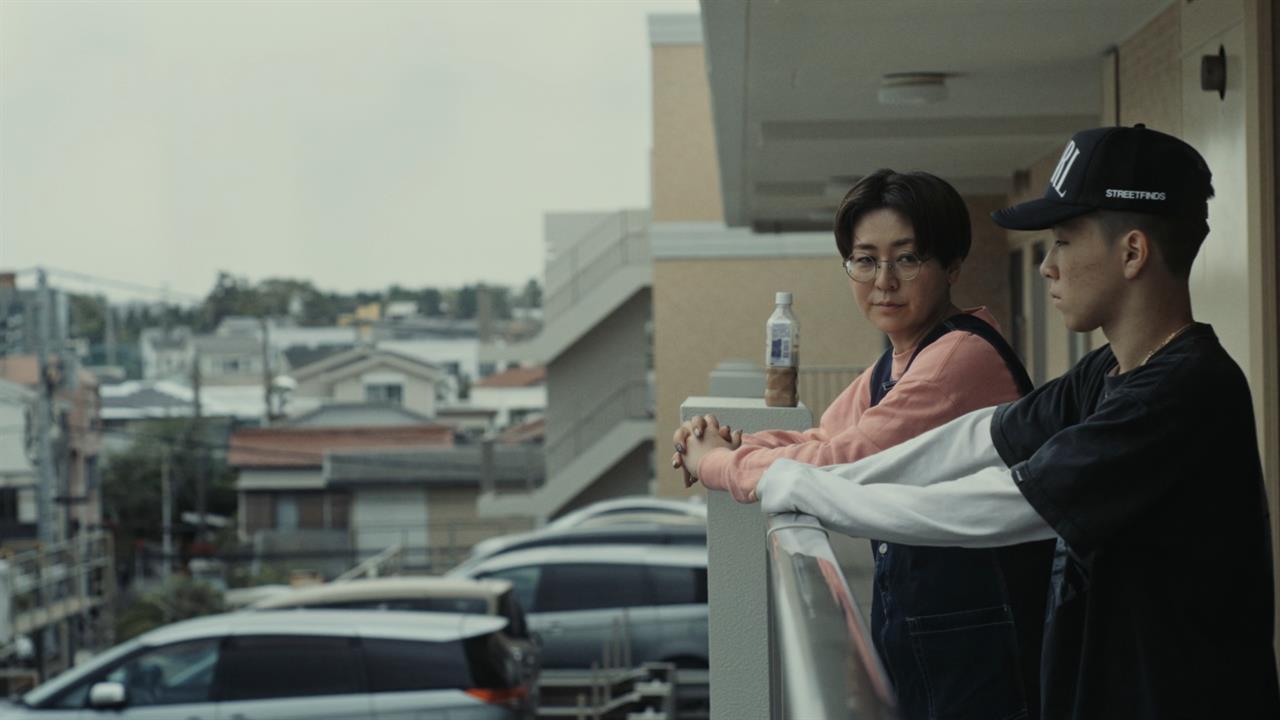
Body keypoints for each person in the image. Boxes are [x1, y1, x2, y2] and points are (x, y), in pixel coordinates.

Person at [693, 125, 1279, 719]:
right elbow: (982, 438)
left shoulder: (1181, 392)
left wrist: (785, 481)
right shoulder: (1109, 370)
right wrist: (774, 472)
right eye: (865, 260)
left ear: (1132, 252)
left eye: (1063, 241)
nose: (1047, 267)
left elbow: (1003, 504)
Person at [674, 169, 1053, 720]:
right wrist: (736, 444)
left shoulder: (956, 359)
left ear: (952, 266)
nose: (884, 281)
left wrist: (718, 463)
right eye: (865, 260)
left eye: (907, 258)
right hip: (932, 632)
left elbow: (841, 462)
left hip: (981, 644)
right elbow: (823, 437)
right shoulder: (901, 358)